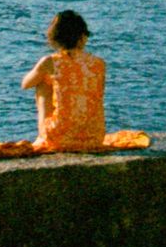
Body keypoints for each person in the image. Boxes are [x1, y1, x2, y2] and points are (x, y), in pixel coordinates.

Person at [21, 8, 107, 150]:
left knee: (42, 82)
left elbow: (25, 84)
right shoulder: (99, 63)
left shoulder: (51, 62)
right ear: (82, 37)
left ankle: (42, 137)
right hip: (94, 138)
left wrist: (44, 72)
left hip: (60, 140)